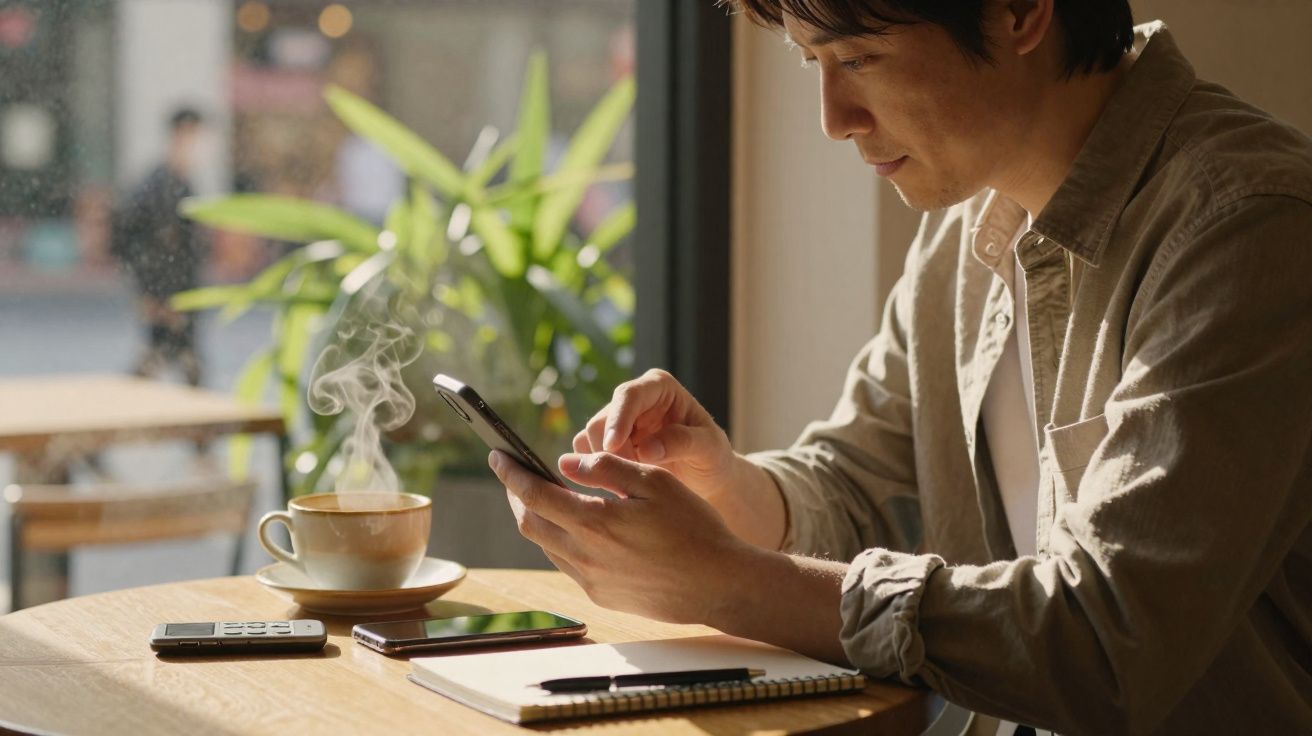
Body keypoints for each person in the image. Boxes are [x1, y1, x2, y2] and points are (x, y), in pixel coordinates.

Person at [488, 1, 1312, 733]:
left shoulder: (1247, 226)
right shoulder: (966, 230)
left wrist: (730, 583)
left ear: (1019, 12)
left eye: (857, 59)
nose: (833, 117)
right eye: (813, 63)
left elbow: (1105, 642)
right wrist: (723, 484)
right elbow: (858, 485)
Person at [112, 107, 209, 386]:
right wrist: (156, 295)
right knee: (169, 361)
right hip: (171, 296)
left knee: (165, 360)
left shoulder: (178, 183)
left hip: (179, 294)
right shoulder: (160, 186)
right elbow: (136, 240)